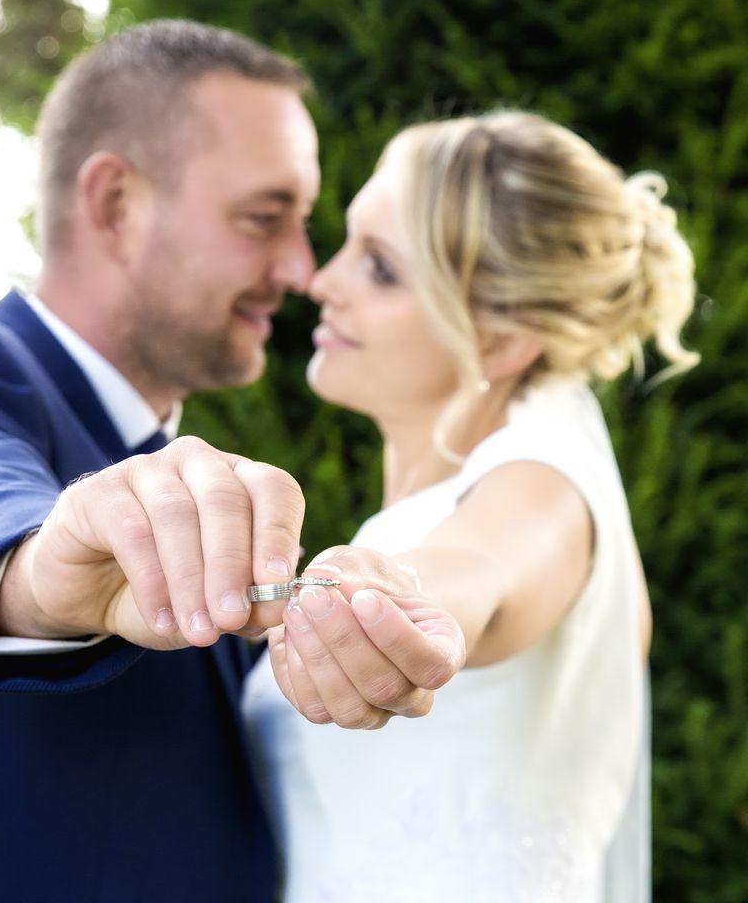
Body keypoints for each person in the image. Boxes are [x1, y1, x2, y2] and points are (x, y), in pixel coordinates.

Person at [0, 19, 462, 902]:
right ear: (117, 204)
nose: (299, 268)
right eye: (263, 218)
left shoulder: (201, 500)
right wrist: (37, 568)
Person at [243, 111, 698, 901]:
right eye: (348, 244)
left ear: (497, 341)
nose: (323, 281)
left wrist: (393, 596)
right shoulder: (456, 494)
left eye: (380, 268)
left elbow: (483, 566)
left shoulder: (549, 484)